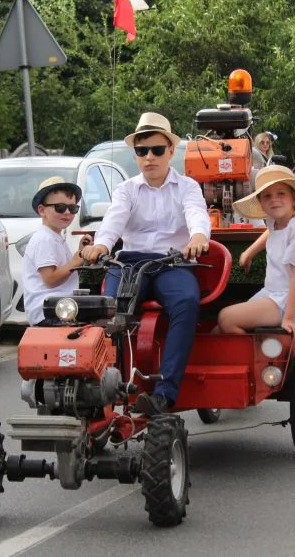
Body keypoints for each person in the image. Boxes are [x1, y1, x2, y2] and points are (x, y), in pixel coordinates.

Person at [81, 112, 211, 416]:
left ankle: (164, 394)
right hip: (129, 263)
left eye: (155, 150)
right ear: (136, 155)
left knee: (187, 303)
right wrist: (100, 244)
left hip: (172, 262)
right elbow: (113, 220)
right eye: (141, 151)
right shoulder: (126, 189)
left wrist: (198, 237)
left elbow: (196, 215)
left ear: (169, 151)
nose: (148, 157)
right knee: (107, 313)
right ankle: (102, 391)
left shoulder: (188, 187)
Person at [216, 166, 295, 335]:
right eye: (267, 196)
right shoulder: (276, 221)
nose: (274, 200)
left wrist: (289, 318)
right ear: (261, 202)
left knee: (226, 318)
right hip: (274, 295)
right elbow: (271, 232)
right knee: (217, 331)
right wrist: (249, 253)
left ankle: (261, 357)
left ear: (293, 197)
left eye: (281, 193)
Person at [22, 177, 90, 326]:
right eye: (60, 208)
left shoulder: (54, 236)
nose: (67, 213)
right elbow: (50, 279)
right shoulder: (44, 239)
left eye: (72, 209)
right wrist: (75, 261)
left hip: (60, 309)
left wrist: (80, 252)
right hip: (48, 313)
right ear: (42, 210)